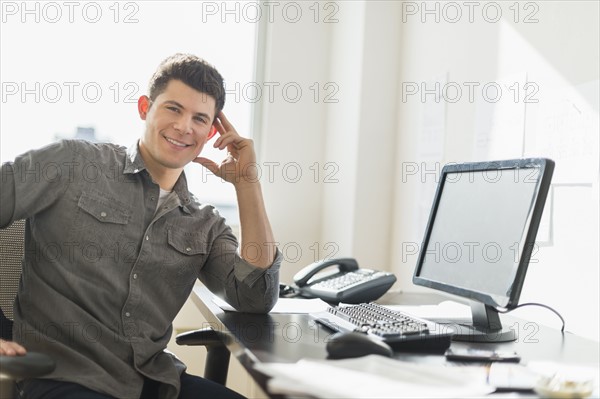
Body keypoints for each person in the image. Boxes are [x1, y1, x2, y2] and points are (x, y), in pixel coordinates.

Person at [0, 53, 281, 399]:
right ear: (145, 107)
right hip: (64, 377)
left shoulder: (205, 224)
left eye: (199, 119)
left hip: (154, 382)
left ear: (210, 133)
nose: (184, 127)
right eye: (173, 109)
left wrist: (247, 183)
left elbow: (256, 297)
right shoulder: (72, 163)